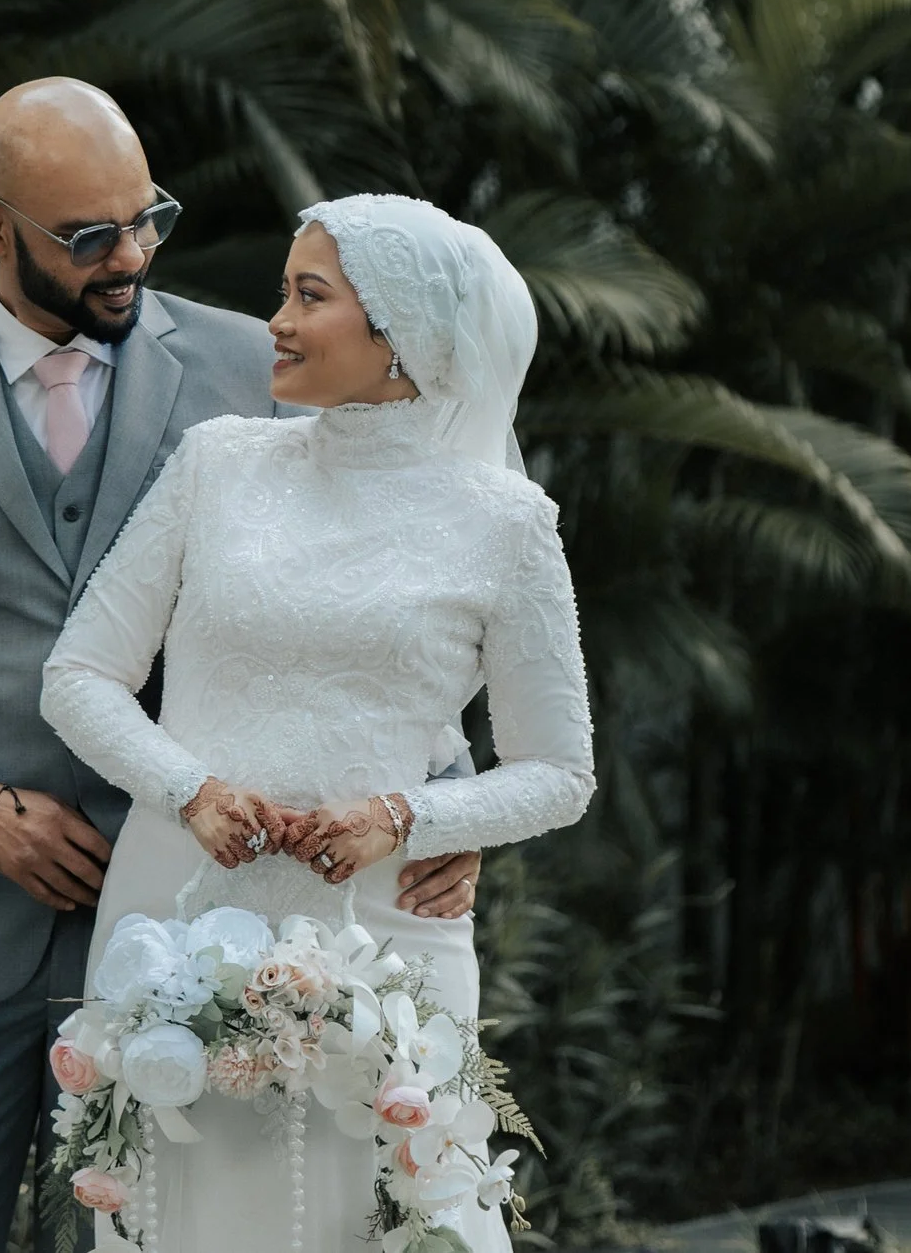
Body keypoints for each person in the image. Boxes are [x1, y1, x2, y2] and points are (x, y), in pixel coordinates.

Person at [0, 83, 485, 1253]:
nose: (131, 254)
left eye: (147, 218)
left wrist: (446, 796)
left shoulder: (263, 367)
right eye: (89, 236)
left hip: (217, 920)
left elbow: (391, 582)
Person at [41, 192, 597, 1251]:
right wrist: (189, 792)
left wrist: (405, 818)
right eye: (282, 294)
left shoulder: (508, 525)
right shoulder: (217, 464)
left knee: (374, 1221)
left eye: (309, 296)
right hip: (175, 924)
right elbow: (79, 677)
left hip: (384, 942)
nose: (278, 322)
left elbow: (558, 772)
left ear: (401, 335)